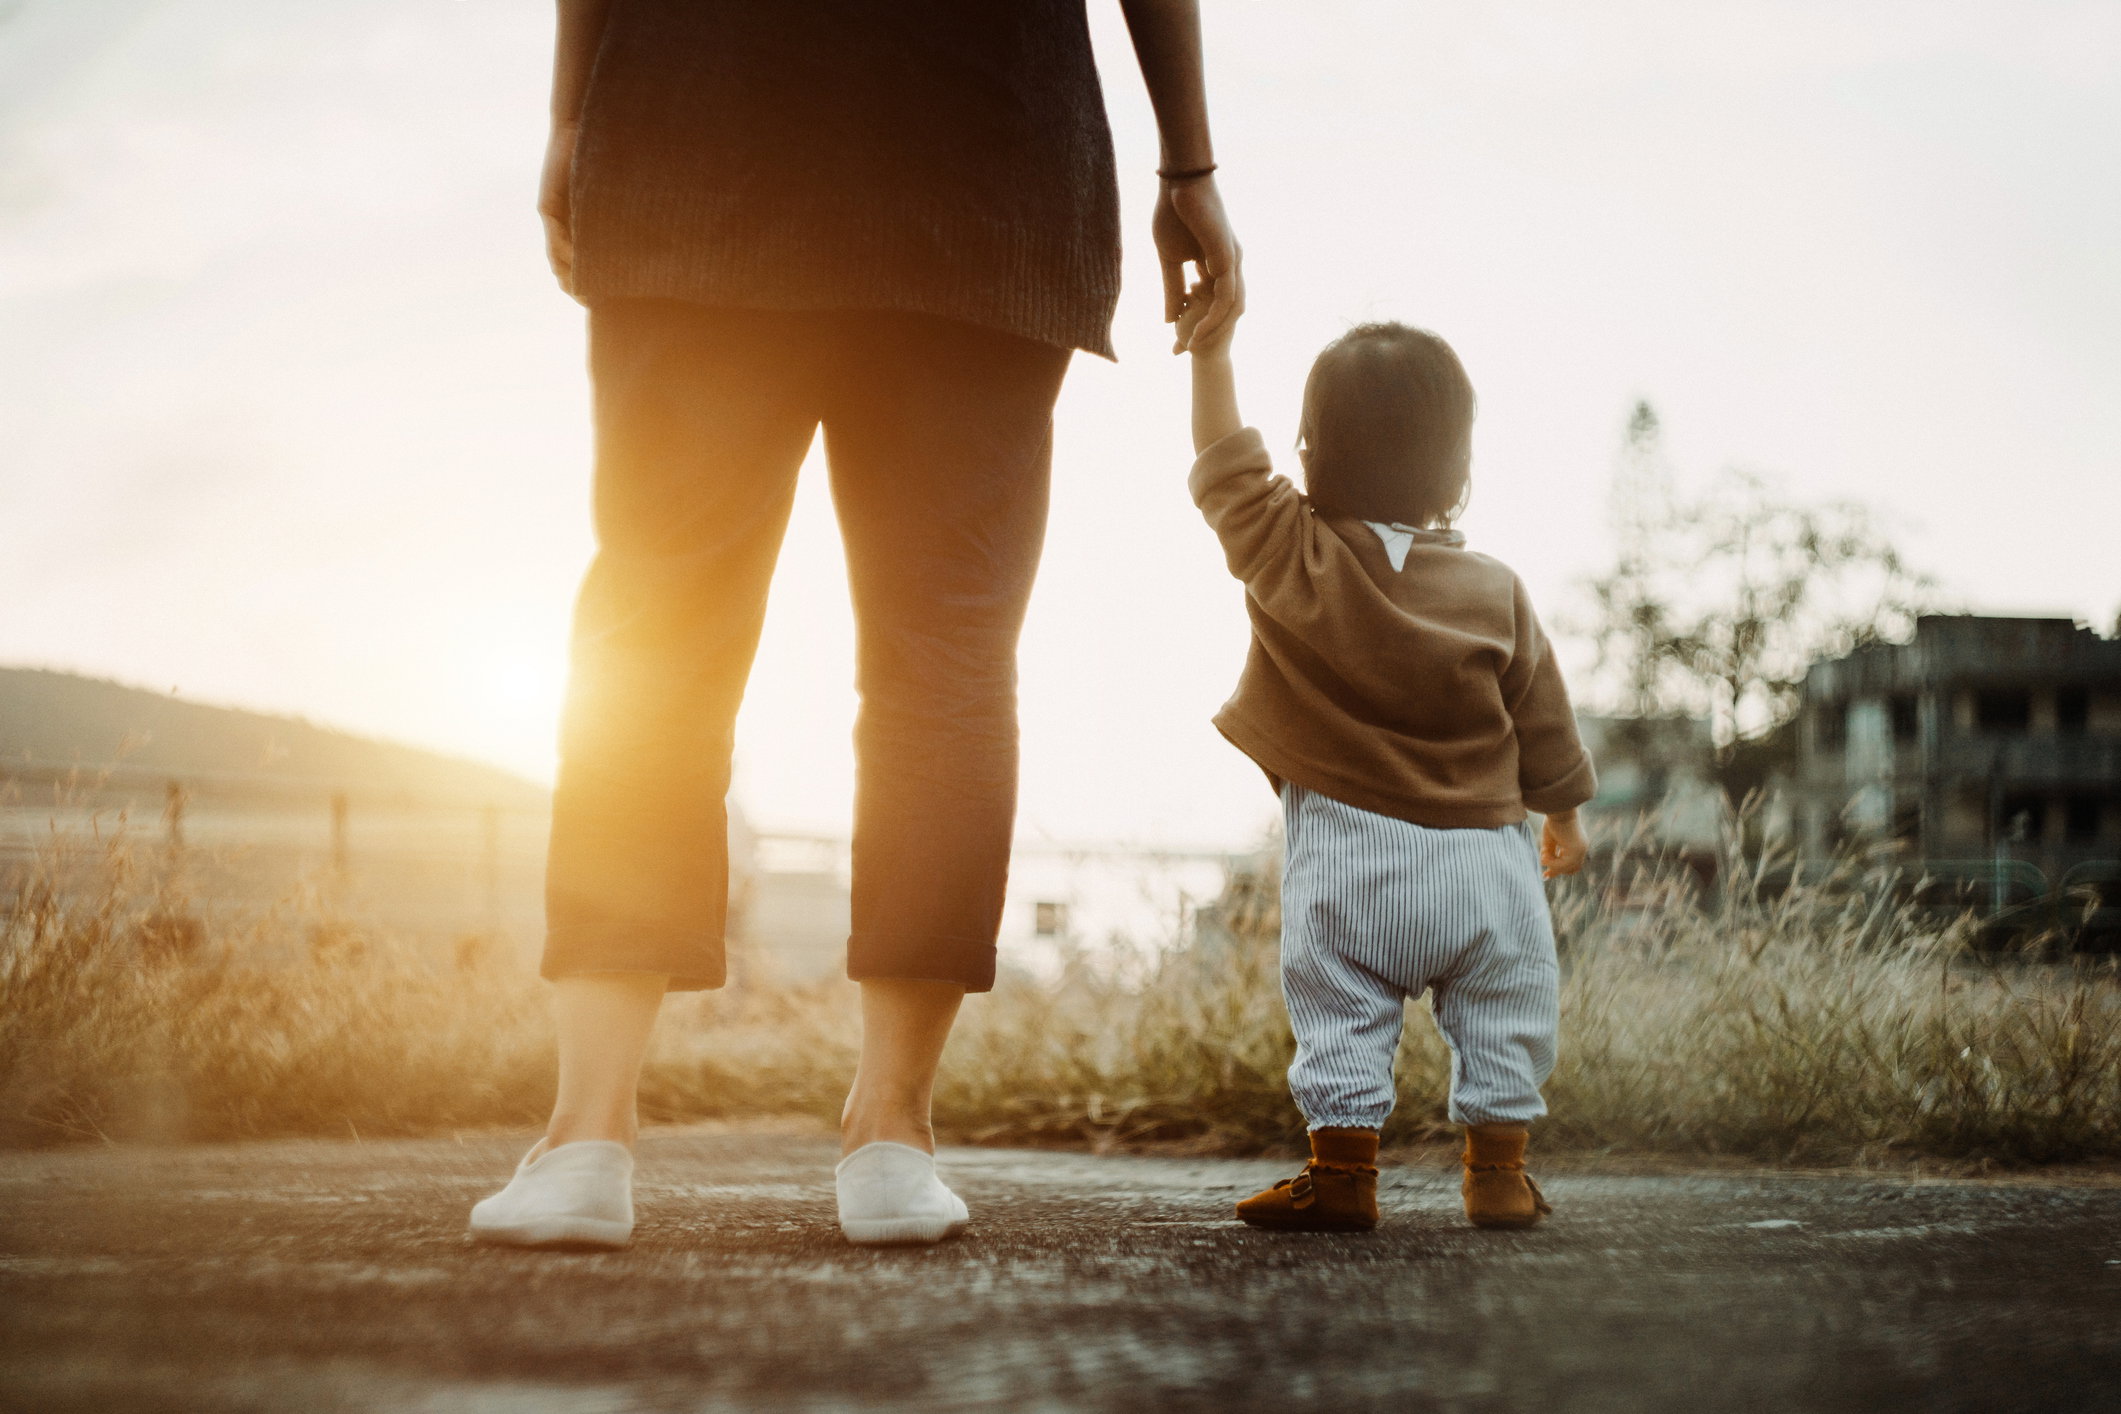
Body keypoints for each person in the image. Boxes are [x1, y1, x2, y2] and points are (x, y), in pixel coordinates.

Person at [471, 0, 1242, 1251]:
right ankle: (891, 1133)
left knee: (654, 641)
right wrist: (1188, 165)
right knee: (946, 648)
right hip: (981, 154)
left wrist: (570, 122)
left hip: (699, 131)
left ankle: (586, 1136)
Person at [1173, 296, 1594, 1233]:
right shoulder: (1493, 588)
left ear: (1312, 454)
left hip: (1347, 859)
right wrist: (1561, 816)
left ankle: (1342, 1177)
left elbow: (1225, 468)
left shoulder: (1292, 551)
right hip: (1484, 865)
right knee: (1503, 1013)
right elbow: (1543, 716)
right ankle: (1497, 1175)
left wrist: (1212, 352)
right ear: (1459, 468)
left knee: (1339, 1015)